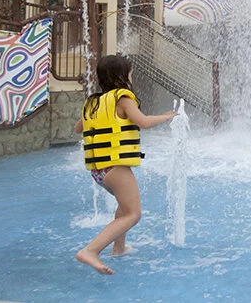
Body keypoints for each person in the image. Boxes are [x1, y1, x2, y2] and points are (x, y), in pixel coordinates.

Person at [74, 55, 178, 275]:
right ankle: (91, 250)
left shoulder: (93, 102)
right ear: (122, 76)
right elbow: (144, 122)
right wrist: (168, 116)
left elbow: (78, 128)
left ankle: (118, 248)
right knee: (133, 214)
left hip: (98, 171)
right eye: (130, 74)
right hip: (115, 168)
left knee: (123, 207)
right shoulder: (122, 97)